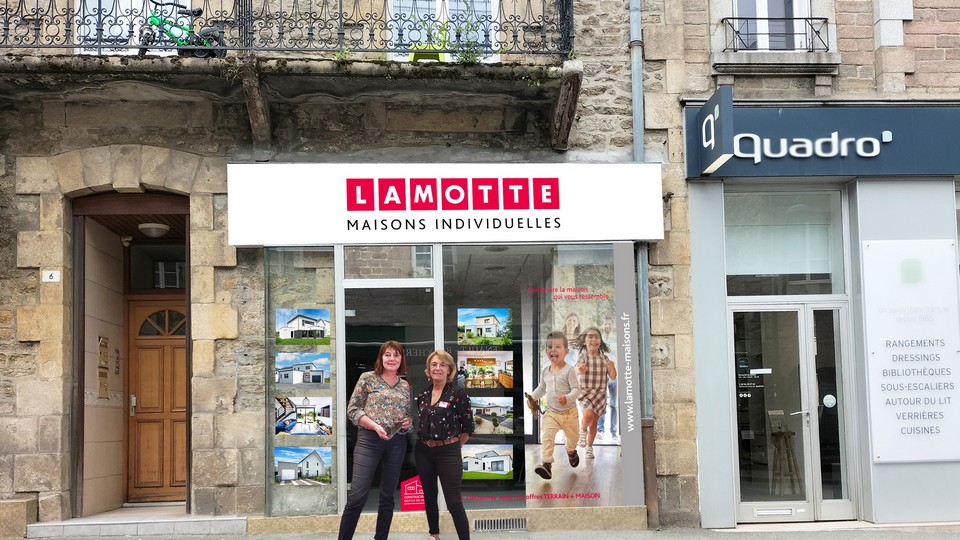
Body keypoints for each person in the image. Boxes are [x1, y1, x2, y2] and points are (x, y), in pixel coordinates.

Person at [338, 341, 413, 540]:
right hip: (369, 440)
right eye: (387, 355)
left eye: (396, 355)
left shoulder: (404, 385)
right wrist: (374, 425)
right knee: (357, 496)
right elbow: (353, 410)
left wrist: (407, 423)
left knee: (388, 496)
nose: (392, 359)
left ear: (401, 359)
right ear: (381, 358)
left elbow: (408, 415)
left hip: (396, 442)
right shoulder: (367, 378)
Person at [415, 350, 474, 540]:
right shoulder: (423, 394)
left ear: (450, 370)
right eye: (434, 364)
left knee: (453, 501)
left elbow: (468, 427)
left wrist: (452, 445)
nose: (437, 368)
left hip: (448, 452)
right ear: (428, 368)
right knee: (429, 496)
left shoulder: (458, 394)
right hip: (423, 451)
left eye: (442, 365)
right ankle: (434, 535)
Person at [527, 331, 581, 480]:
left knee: (573, 438)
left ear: (566, 351)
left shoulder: (569, 370)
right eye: (550, 346)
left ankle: (571, 451)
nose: (553, 350)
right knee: (547, 436)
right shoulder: (545, 371)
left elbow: (577, 390)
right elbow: (542, 388)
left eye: (557, 346)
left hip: (570, 413)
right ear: (546, 351)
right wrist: (532, 397)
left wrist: (567, 398)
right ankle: (547, 464)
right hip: (552, 413)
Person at [575, 327, 617, 459]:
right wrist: (580, 369)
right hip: (585, 394)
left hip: (600, 395)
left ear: (600, 341)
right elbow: (575, 371)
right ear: (584, 341)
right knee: (588, 415)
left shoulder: (605, 358)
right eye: (590, 337)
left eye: (597, 337)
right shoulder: (583, 357)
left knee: (594, 424)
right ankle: (582, 431)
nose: (594, 339)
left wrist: (612, 367)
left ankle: (589, 447)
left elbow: (613, 377)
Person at [597, 314, 619, 443]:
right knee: (602, 402)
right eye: (605, 324)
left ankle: (614, 432)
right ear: (602, 325)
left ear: (612, 325)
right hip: (601, 375)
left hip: (613, 375)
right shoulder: (599, 342)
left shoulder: (615, 340)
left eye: (609, 324)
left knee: (613, 404)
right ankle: (600, 430)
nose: (607, 326)